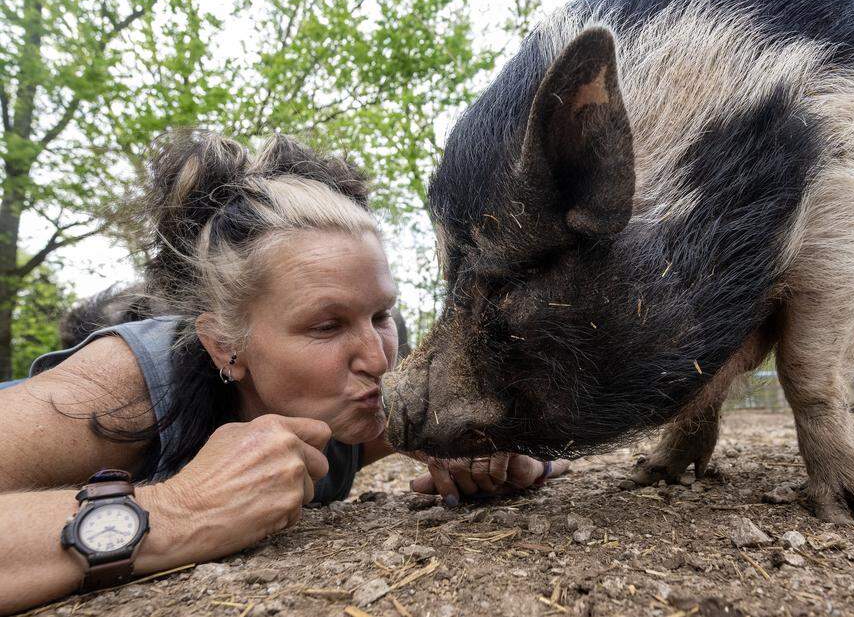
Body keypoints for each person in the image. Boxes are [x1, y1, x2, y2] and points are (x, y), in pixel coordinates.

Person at [0, 131, 567, 614]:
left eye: (381, 315)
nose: (378, 358)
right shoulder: (121, 388)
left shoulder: (359, 417)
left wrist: (484, 445)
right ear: (225, 346)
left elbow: (508, 435)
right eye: (326, 326)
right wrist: (179, 511)